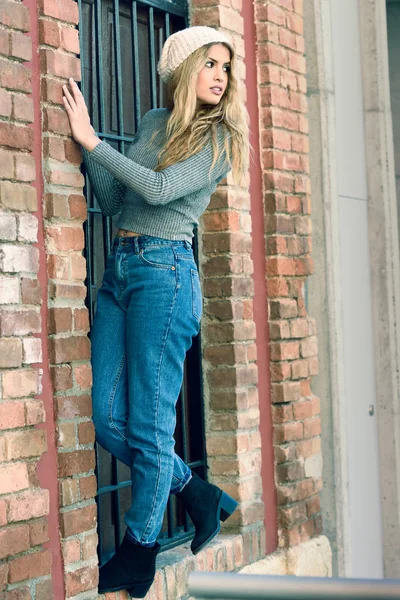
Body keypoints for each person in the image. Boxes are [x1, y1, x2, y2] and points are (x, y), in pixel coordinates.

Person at [62, 25, 250, 598]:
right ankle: (195, 493)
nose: (220, 76)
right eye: (210, 64)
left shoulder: (219, 139)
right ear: (182, 69)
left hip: (166, 276)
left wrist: (94, 143)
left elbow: (164, 191)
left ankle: (140, 550)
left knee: (146, 424)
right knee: (106, 414)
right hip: (121, 268)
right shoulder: (150, 123)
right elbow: (120, 200)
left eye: (225, 67)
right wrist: (82, 143)